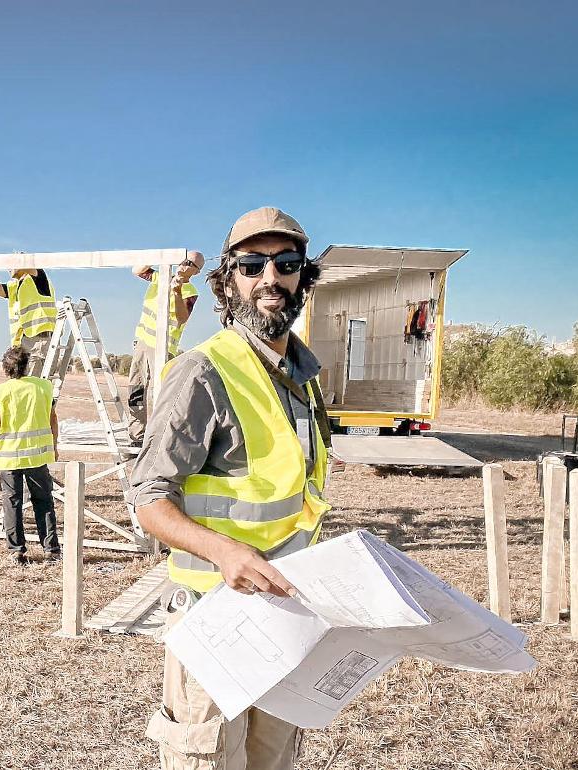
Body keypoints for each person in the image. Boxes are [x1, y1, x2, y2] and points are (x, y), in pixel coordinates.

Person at [129, 207, 331, 770]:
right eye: (252, 265)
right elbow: (148, 498)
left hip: (287, 613)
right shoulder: (202, 371)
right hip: (211, 619)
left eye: (286, 264)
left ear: (302, 277)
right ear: (228, 281)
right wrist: (224, 552)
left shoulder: (302, 376)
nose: (271, 279)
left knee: (273, 758)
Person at [0, 346, 61, 565]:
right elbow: (53, 420)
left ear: (6, 369)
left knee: (11, 503)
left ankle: (16, 551)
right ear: (26, 366)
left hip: (9, 456)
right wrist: (54, 446)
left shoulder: (0, 391)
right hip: (37, 456)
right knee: (44, 502)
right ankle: (51, 550)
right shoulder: (44, 387)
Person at [127, 251, 206, 445]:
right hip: (143, 342)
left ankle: (157, 437)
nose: (183, 264)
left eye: (190, 263)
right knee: (136, 389)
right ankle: (136, 436)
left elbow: (181, 318)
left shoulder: (190, 291)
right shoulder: (161, 276)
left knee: (159, 392)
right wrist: (160, 258)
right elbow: (137, 270)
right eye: (183, 260)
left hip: (163, 347)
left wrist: (177, 289)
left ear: (195, 272)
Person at [0, 268, 57, 377]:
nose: (8, 268)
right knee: (27, 384)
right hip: (24, 343)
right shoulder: (13, 288)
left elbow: (27, 264)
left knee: (32, 386)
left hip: (39, 341)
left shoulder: (38, 278)